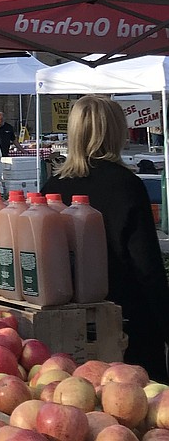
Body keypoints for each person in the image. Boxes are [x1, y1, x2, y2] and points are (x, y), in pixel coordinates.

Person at [41, 95, 169, 383]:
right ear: (115, 132)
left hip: (67, 326)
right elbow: (147, 266)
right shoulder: (127, 186)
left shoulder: (51, 188)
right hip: (126, 325)